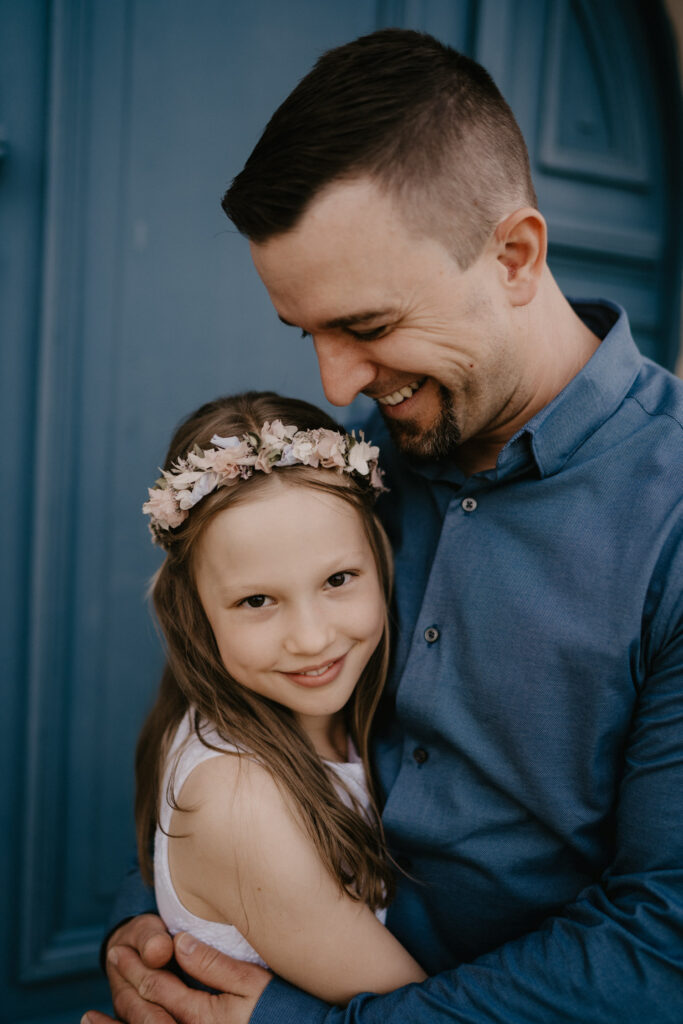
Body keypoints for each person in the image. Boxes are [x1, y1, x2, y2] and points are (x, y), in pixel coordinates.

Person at [86, 27, 683, 1024]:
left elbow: (661, 945)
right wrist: (151, 921)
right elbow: (223, 698)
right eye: (304, 333)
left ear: (514, 255)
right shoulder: (330, 466)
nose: (333, 383)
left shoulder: (666, 527)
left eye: (364, 327)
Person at [132, 390, 426, 1004]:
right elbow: (416, 1014)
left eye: (338, 580)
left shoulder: (333, 726)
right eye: (257, 601)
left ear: (379, 553)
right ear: (195, 611)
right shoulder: (240, 804)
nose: (313, 638)